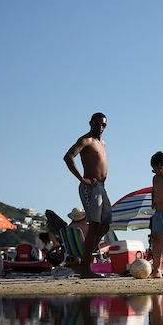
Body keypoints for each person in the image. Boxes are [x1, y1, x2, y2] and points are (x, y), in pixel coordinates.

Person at [63, 112, 112, 277]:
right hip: (90, 186)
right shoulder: (86, 140)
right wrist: (82, 178)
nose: (100, 127)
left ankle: (85, 260)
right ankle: (85, 267)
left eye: (103, 125)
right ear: (91, 123)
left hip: (102, 186)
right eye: (97, 124)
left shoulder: (102, 143)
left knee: (105, 225)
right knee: (94, 225)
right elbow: (68, 157)